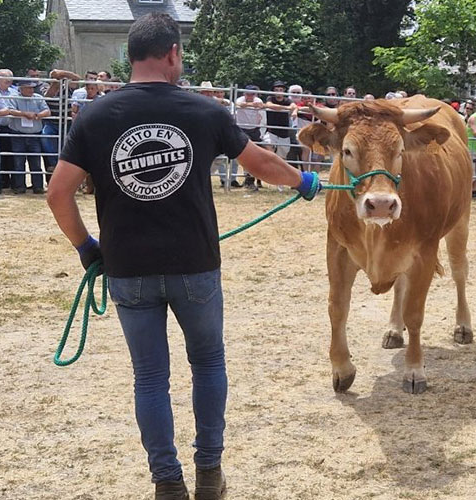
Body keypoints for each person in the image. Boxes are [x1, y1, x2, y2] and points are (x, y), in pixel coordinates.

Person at [46, 13, 321, 500]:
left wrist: (87, 248)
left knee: (150, 377)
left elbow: (57, 194)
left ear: (130, 56)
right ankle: (209, 474)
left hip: (127, 269)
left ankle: (167, 482)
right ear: (172, 52)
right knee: (208, 364)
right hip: (195, 264)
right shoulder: (202, 111)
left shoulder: (94, 115)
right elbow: (259, 162)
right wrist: (303, 180)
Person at [7, 80, 50, 194]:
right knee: (18, 162)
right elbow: (10, 111)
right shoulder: (14, 97)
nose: (31, 90)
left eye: (32, 88)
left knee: (35, 162)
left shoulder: (38, 98)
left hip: (34, 134)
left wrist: (38, 115)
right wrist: (24, 113)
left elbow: (47, 111)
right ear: (21, 89)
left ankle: (38, 186)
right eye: (28, 88)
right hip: (18, 134)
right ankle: (20, 186)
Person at [234, 85, 265, 190]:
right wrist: (251, 104)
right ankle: (249, 180)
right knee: (247, 154)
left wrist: (254, 104)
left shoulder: (258, 100)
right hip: (242, 129)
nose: (250, 96)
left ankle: (254, 179)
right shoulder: (240, 99)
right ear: (244, 94)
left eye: (252, 94)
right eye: (248, 93)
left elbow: (261, 106)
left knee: (257, 154)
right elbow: (239, 104)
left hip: (255, 130)